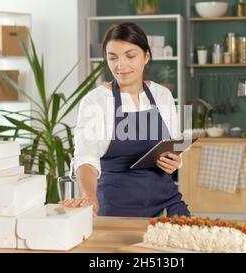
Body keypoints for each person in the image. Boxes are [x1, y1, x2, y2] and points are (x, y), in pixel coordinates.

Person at [59, 22, 190, 217]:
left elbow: (173, 145)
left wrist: (176, 161)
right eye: (113, 58)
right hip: (115, 208)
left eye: (130, 56)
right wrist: (89, 196)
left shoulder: (162, 95)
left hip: (166, 203)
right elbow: (86, 158)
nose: (121, 66)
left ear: (146, 56)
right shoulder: (96, 101)